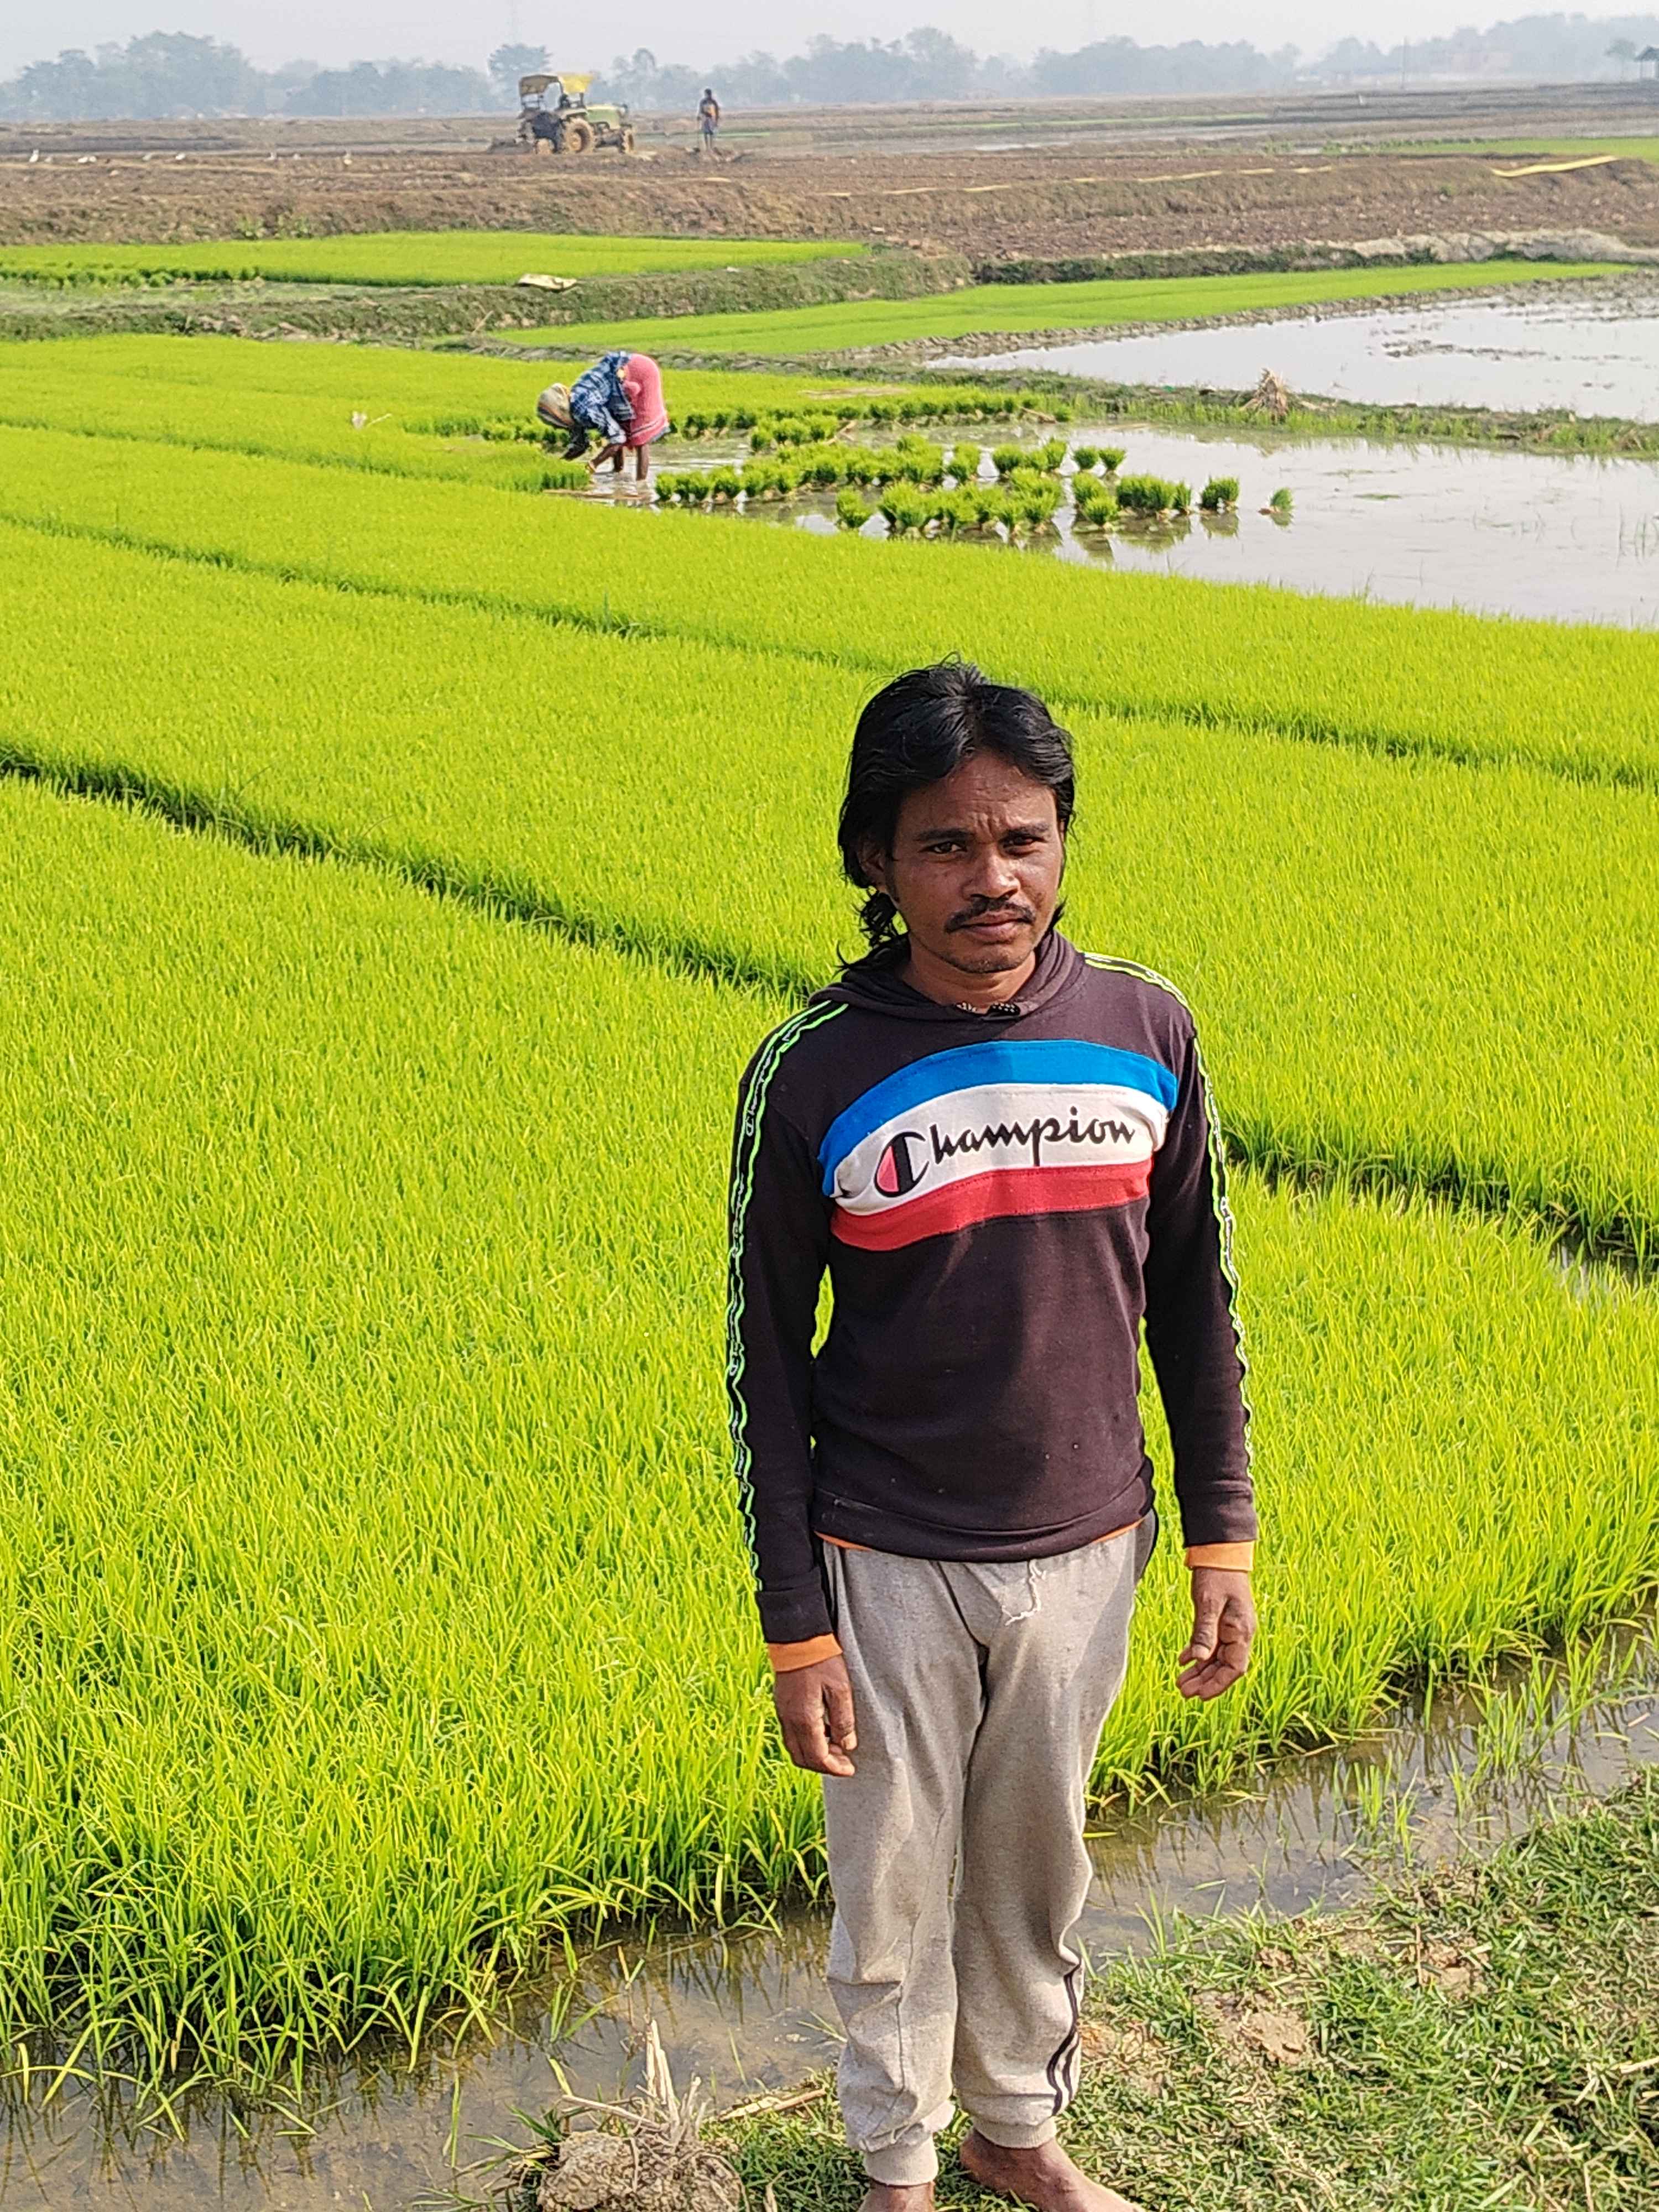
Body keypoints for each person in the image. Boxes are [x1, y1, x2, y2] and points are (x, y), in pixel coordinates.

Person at [726, 662, 1258, 2212]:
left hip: (1090, 1546)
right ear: (875, 859)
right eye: (944, 845)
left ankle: (1014, 2128)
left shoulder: (1146, 1029)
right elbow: (762, 1367)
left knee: (1038, 1872)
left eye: (1022, 838)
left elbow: (1197, 1304)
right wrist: (795, 1629)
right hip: (884, 1555)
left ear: (1061, 839)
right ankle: (896, 2162)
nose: (991, 879)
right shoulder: (815, 1068)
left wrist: (1220, 1534)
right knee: (890, 1886)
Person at [535, 350, 670, 483]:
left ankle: (642, 485)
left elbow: (617, 439)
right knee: (619, 425)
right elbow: (580, 446)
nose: (555, 427)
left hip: (641, 371)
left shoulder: (585, 409)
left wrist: (593, 465)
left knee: (640, 436)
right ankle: (618, 474)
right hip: (617, 382)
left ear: (559, 414)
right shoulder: (572, 412)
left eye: (554, 423)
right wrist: (559, 465)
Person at [698, 86, 720, 153]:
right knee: (705, 133)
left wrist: (716, 120)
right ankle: (707, 147)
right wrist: (699, 116)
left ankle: (711, 147)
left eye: (707, 94)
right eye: (705, 94)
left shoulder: (713, 102)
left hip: (712, 119)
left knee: (711, 133)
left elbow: (717, 111)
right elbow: (701, 110)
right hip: (705, 118)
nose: (706, 95)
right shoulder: (703, 102)